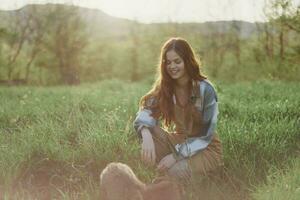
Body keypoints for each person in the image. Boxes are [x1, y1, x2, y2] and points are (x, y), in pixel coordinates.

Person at [133, 37, 223, 184]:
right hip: (179, 141)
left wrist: (175, 156)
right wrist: (145, 132)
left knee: (173, 172)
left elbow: (205, 136)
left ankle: (199, 178)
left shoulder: (205, 89)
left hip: (205, 148)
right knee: (150, 130)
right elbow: (146, 109)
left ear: (187, 61)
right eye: (168, 62)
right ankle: (159, 170)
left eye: (177, 61)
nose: (172, 66)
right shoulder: (166, 87)